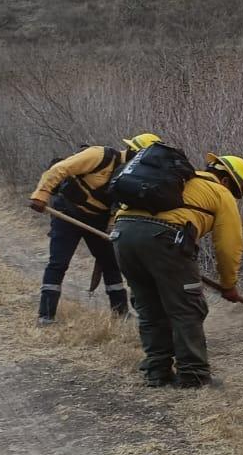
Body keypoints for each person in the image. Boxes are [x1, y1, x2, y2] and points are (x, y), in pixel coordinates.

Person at [113, 152, 243, 388]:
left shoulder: (174, 180)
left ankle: (157, 371)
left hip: (122, 234)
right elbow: (229, 245)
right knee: (187, 308)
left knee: (149, 306)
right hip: (164, 238)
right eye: (239, 192)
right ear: (227, 180)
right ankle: (193, 376)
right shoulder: (220, 192)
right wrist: (229, 284)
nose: (236, 197)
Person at [28, 133, 161, 323]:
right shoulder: (100, 155)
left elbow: (119, 206)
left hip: (97, 221)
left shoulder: (133, 178)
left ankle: (121, 313)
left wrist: (111, 227)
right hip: (67, 214)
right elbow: (60, 169)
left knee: (111, 264)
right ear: (134, 152)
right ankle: (46, 315)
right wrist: (41, 195)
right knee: (58, 262)